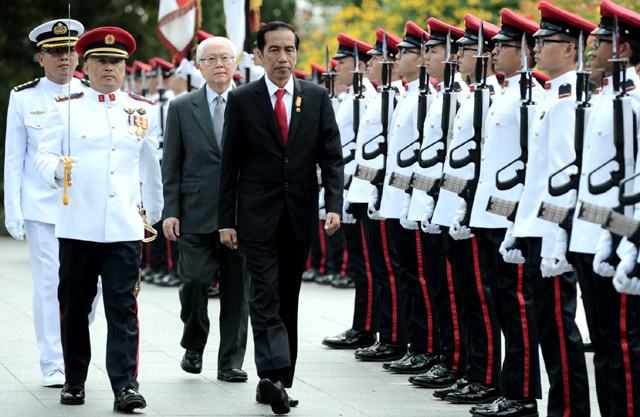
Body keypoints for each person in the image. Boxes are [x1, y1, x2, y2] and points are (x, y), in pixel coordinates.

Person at [33, 26, 163, 412]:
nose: (109, 68)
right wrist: (57, 169)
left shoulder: (142, 110)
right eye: (101, 61)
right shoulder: (65, 106)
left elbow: (150, 167)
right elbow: (41, 158)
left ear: (125, 67)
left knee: (123, 310)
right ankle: (74, 380)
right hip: (78, 225)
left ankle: (125, 386)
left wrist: (154, 214)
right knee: (75, 307)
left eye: (116, 62)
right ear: (84, 65)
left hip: (123, 226)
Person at [218, 21, 343, 415]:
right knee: (265, 296)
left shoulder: (317, 97)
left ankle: (276, 382)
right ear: (259, 55)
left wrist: (334, 205)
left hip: (299, 214)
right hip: (255, 217)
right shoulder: (243, 99)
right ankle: (273, 373)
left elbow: (332, 157)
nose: (283, 58)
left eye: (289, 50)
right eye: (274, 50)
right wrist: (226, 220)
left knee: (288, 296)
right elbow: (230, 166)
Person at [489, 3, 596, 416]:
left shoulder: (569, 100)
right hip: (536, 230)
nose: (534, 48)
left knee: (557, 329)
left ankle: (568, 409)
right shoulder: (554, 96)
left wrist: (554, 240)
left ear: (569, 49)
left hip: (552, 235)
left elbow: (564, 179)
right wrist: (520, 227)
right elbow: (537, 177)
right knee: (547, 326)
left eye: (543, 41)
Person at [449, 7, 544, 413]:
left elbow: (529, 166)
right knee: (498, 303)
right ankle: (506, 385)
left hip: (510, 218)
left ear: (522, 50)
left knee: (516, 306)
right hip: (488, 214)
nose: (495, 52)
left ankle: (521, 392)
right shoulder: (504, 93)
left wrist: (517, 225)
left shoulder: (531, 97)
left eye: (504, 45)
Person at [4, 17, 91, 389]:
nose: (64, 59)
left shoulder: (91, 93)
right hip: (43, 208)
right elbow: (14, 157)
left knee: (90, 290)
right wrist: (14, 210)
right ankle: (54, 362)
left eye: (70, 51)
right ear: (41, 58)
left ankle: (73, 346)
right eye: (55, 52)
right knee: (47, 286)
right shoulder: (23, 97)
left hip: (88, 208)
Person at [162, 35, 251, 383]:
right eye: (211, 59)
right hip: (194, 212)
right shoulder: (182, 107)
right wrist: (171, 210)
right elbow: (171, 163)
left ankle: (230, 361)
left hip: (239, 214)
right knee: (195, 282)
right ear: (198, 67)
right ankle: (194, 343)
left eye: (225, 58)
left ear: (235, 64)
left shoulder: (249, 104)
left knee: (236, 292)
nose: (219, 65)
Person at [569, 0, 640, 415]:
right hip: (592, 234)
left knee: (624, 349)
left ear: (623, 49)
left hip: (620, 238)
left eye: (597, 44)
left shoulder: (631, 101)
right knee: (606, 347)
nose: (591, 51)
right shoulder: (603, 98)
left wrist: (625, 242)